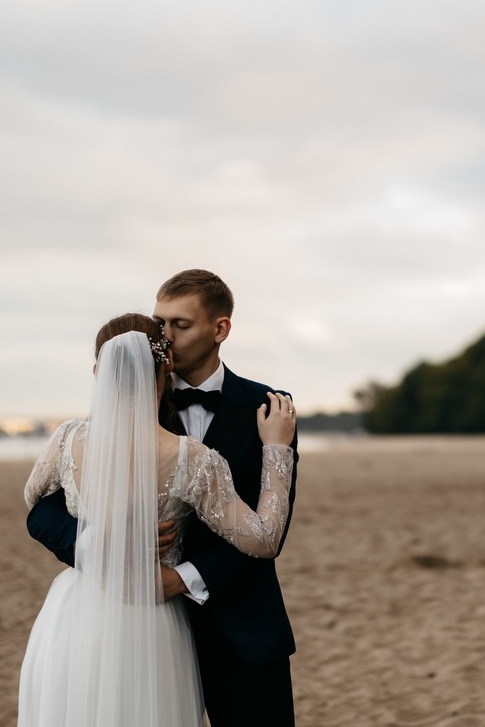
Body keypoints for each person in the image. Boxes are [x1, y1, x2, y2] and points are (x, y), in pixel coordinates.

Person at [27, 272, 301, 727]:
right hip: (119, 623)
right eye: (160, 322)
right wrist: (105, 544)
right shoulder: (119, 402)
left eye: (180, 324)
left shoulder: (268, 407)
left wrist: (182, 578)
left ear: (220, 329)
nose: (164, 336)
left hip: (237, 627)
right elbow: (43, 511)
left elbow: (272, 530)